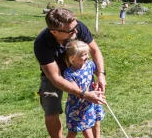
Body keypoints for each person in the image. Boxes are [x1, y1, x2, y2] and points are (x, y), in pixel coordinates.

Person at [34, 8, 108, 138]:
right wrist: (82, 94)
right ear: (54, 32)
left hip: (80, 70)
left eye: (76, 26)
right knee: (51, 111)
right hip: (54, 75)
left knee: (93, 105)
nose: (76, 31)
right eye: (70, 30)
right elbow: (55, 78)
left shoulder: (77, 27)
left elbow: (95, 50)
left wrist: (101, 74)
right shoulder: (42, 44)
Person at [62, 40, 105, 138]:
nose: (87, 56)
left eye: (87, 53)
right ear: (72, 58)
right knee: (73, 131)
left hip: (90, 102)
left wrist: (98, 84)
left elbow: (97, 74)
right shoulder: (69, 73)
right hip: (77, 105)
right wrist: (87, 93)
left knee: (92, 124)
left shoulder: (90, 65)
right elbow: (75, 89)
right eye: (83, 55)